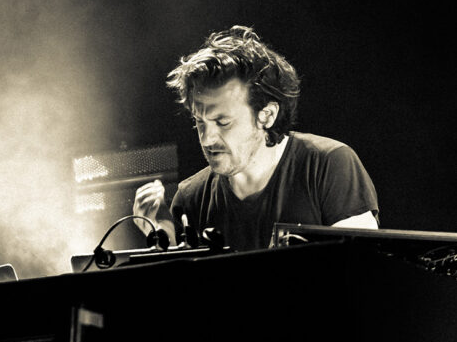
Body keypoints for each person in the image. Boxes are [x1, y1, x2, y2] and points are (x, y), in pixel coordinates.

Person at [133, 25, 379, 251]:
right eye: (199, 122)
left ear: (267, 115)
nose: (207, 139)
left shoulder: (328, 164)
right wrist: (166, 242)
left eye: (223, 122)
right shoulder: (190, 199)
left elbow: (363, 269)